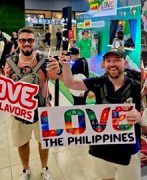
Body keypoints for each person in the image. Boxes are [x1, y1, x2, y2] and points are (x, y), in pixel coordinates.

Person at [58, 48, 142, 180]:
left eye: (117, 60)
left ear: (125, 63)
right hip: (102, 146)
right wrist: (66, 66)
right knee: (105, 177)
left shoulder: (137, 85)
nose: (112, 64)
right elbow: (70, 83)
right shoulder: (98, 82)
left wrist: (139, 116)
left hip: (128, 149)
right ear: (103, 64)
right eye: (108, 60)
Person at [4, 28, 60, 180]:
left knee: (44, 143)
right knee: (22, 143)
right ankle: (25, 169)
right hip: (19, 112)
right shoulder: (10, 62)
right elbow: (6, 87)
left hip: (43, 111)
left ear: (34, 41)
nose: (27, 43)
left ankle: (44, 168)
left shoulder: (44, 60)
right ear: (18, 42)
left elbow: (55, 77)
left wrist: (59, 68)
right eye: (23, 40)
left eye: (30, 40)